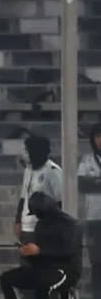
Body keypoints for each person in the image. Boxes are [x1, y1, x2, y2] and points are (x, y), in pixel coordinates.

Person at [0, 192, 81, 299]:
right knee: (6, 278)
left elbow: (68, 252)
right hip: (43, 269)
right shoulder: (41, 225)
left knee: (43, 285)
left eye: (38, 213)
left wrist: (39, 250)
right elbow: (40, 257)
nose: (37, 216)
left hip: (66, 270)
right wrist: (28, 253)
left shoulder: (69, 224)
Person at [15, 135, 62, 257]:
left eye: (27, 150)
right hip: (26, 227)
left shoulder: (53, 171)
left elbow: (60, 202)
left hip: (44, 228)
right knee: (26, 266)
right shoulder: (28, 170)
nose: (25, 154)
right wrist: (18, 220)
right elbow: (23, 196)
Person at [77, 124, 101, 298]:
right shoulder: (87, 160)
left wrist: (96, 181)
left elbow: (91, 183)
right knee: (97, 261)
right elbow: (83, 184)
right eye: (97, 136)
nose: (100, 140)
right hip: (94, 218)